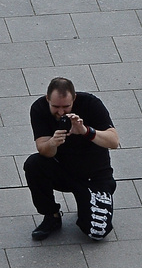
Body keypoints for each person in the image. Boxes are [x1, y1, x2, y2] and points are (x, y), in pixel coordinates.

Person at [24, 76, 120, 242]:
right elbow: (43, 150)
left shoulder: (91, 104)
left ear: (74, 99)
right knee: (34, 164)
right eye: (55, 107)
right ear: (47, 99)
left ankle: (88, 203)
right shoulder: (39, 108)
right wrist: (53, 143)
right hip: (64, 172)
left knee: (97, 233)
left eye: (66, 106)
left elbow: (113, 141)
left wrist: (86, 131)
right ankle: (51, 215)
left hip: (95, 175)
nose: (61, 112)